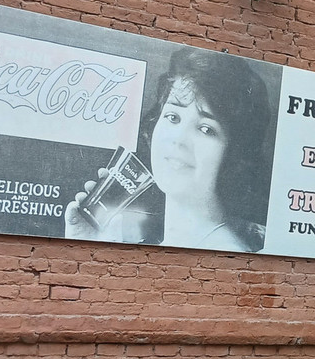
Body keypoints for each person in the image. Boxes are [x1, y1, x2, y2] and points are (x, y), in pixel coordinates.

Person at [64, 47, 273, 252]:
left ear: (233, 155)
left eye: (206, 129)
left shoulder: (225, 251)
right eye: (173, 117)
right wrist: (89, 245)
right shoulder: (167, 242)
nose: (178, 139)